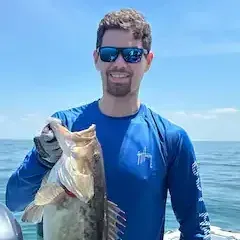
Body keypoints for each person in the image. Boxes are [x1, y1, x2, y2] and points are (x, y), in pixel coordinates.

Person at [5, 8, 211, 240]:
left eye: (132, 54)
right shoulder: (67, 124)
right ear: (96, 59)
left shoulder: (171, 138)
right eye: (109, 53)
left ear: (148, 61)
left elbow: (196, 228)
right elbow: (15, 200)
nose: (119, 63)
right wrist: (41, 160)